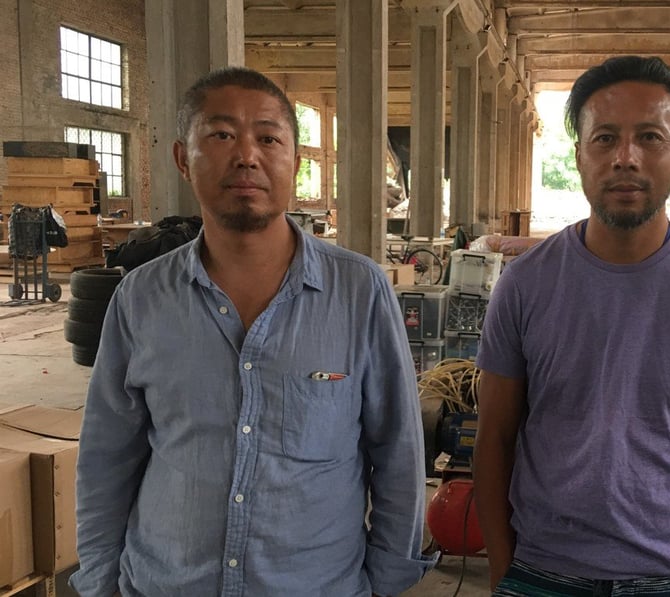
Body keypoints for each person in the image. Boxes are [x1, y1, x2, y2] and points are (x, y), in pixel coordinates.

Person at [71, 67, 435, 597]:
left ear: (293, 160)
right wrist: (101, 580)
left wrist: (385, 580)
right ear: (181, 158)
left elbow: (398, 450)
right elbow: (106, 456)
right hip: (166, 583)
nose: (247, 156)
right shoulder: (142, 298)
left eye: (268, 138)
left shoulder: (359, 292)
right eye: (221, 135)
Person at [473, 55, 670, 597]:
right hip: (542, 569)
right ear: (579, 155)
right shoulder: (525, 286)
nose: (626, 158)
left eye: (650, 138)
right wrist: (503, 573)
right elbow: (493, 439)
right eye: (605, 138)